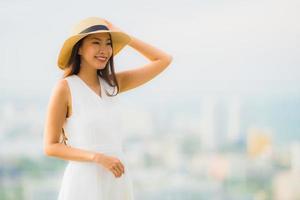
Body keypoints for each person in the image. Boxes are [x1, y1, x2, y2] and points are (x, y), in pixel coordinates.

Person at [43, 16, 172, 200]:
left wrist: (125, 36)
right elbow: (50, 146)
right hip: (83, 183)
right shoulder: (65, 87)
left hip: (116, 180)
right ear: (79, 48)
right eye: (96, 43)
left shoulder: (113, 84)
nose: (104, 50)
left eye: (108, 43)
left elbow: (163, 59)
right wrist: (98, 158)